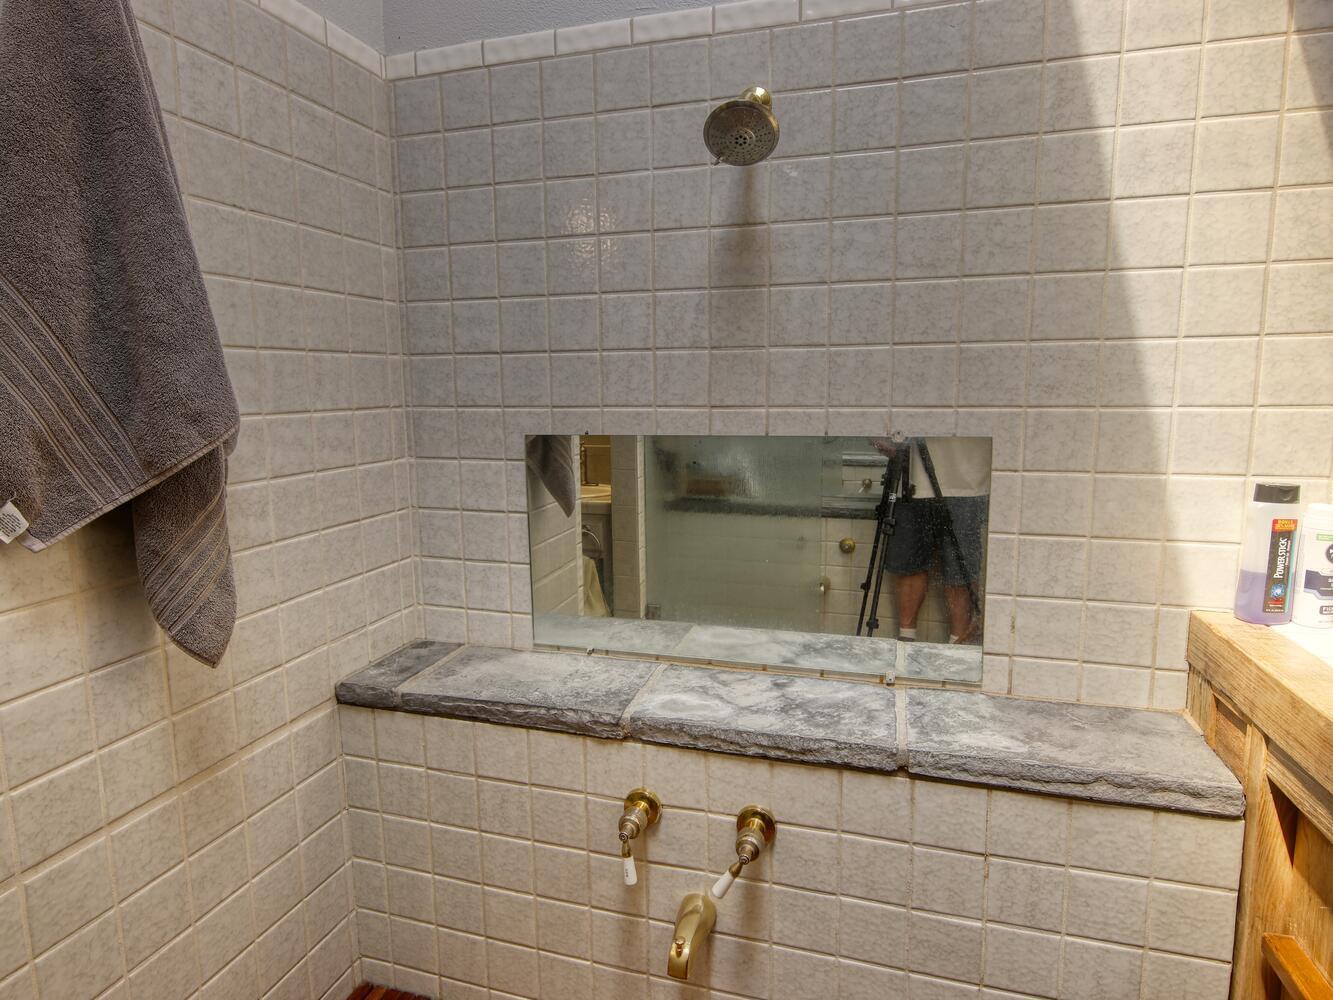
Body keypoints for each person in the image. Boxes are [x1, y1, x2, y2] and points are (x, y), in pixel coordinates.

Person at [872, 437, 990, 644]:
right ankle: (906, 642)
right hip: (908, 476)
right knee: (908, 564)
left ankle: (958, 647)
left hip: (966, 476)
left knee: (960, 570)